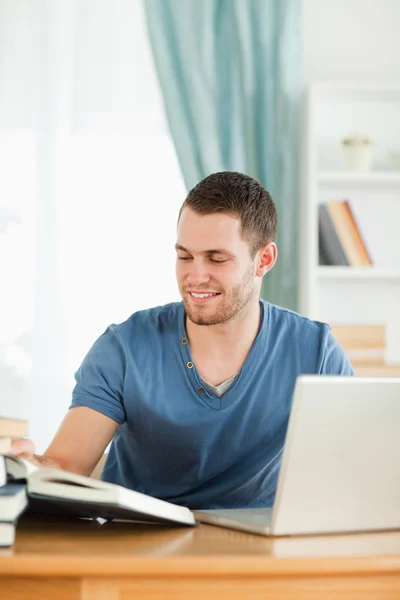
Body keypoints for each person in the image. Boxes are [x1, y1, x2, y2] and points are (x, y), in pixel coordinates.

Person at [11, 171, 353, 509]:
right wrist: (27, 468)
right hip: (139, 549)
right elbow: (66, 467)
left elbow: (356, 467)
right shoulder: (124, 348)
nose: (195, 276)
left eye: (217, 258)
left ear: (263, 260)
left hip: (260, 557)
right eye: (185, 256)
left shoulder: (316, 351)